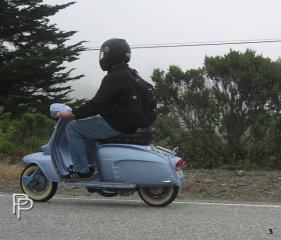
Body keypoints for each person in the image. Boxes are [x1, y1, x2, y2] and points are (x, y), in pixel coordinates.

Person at [57, 38, 139, 180]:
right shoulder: (131, 74)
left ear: (111, 55)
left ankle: (81, 170)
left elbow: (96, 105)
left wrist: (72, 113)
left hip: (115, 124)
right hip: (126, 123)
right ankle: (89, 165)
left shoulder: (114, 77)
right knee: (88, 124)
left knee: (72, 128)